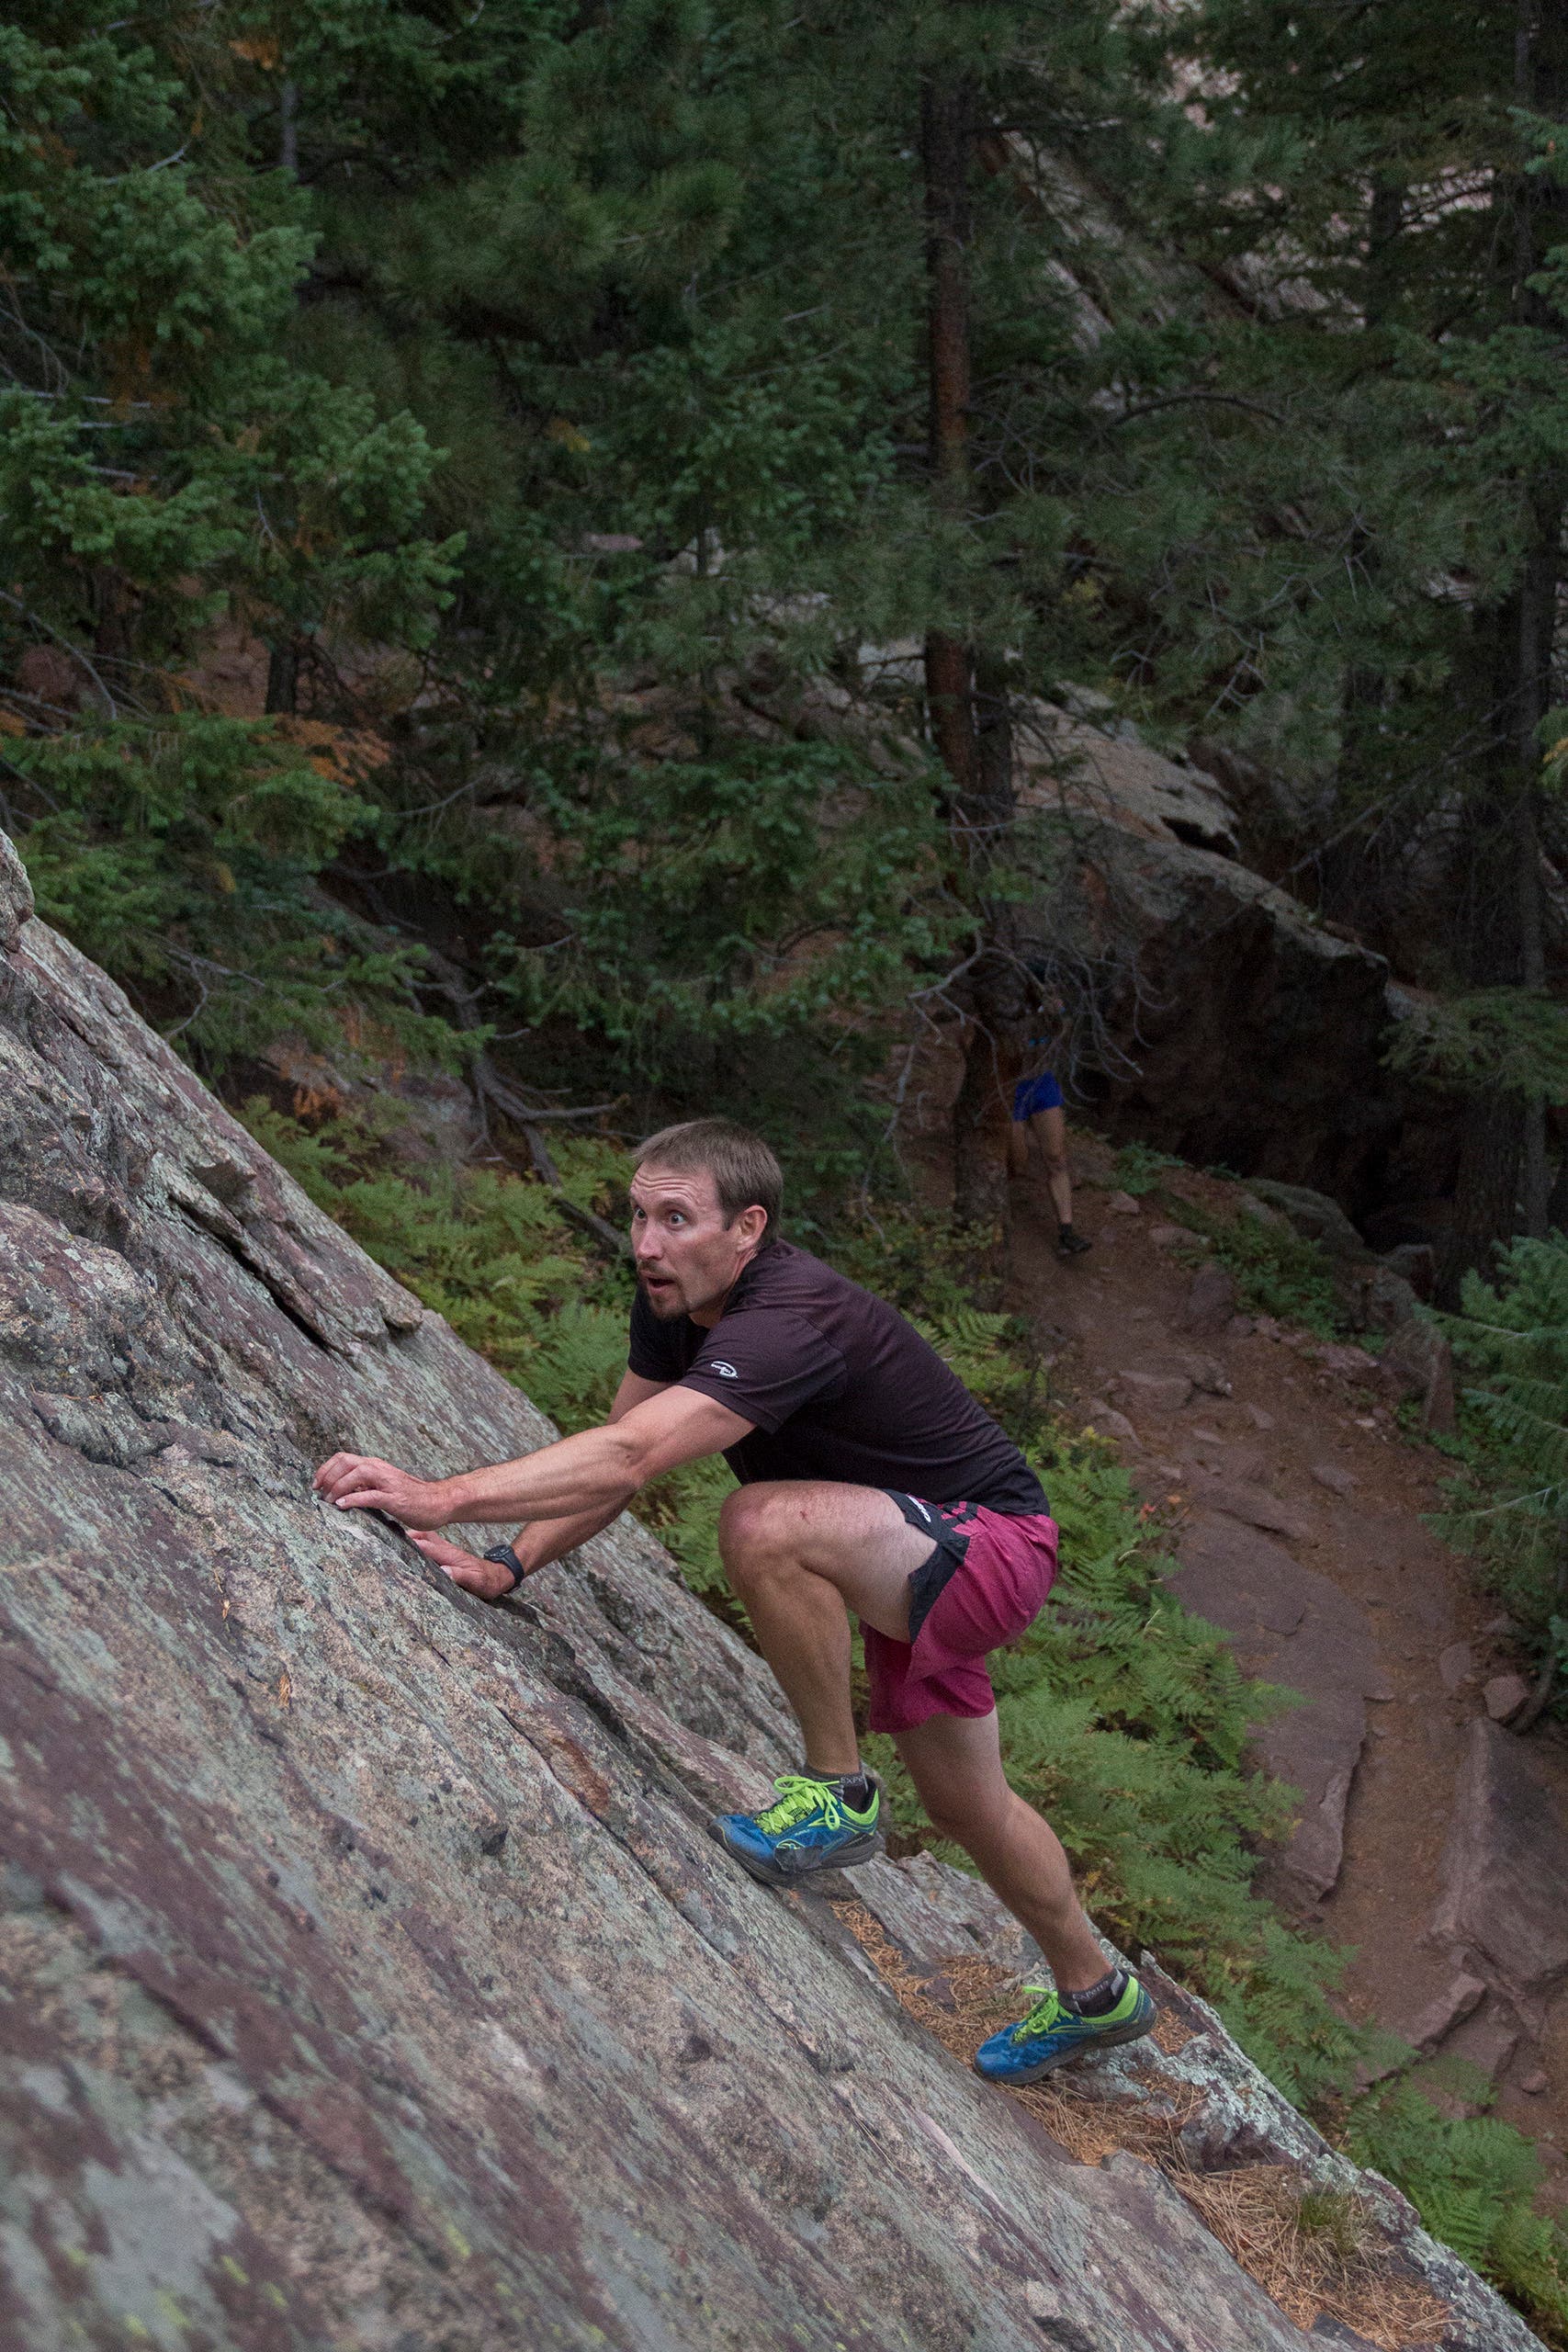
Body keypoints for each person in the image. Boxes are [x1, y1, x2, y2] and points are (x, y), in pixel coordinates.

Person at [314, 1118, 1154, 2085]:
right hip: (905, 1550)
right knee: (971, 1806)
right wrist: (509, 1562)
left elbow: (631, 1454)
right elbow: (618, 1461)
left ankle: (836, 1792)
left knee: (762, 1521)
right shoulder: (671, 1309)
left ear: (748, 1227)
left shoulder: (788, 1315)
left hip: (987, 1547)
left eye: (676, 1218)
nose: (647, 1243)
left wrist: (440, 1493)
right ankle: (1100, 1993)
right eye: (637, 1216)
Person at [1010, 1060, 1091, 1260]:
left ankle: (1067, 1233)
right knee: (1016, 1160)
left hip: (1041, 1080)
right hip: (1007, 1082)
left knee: (1056, 1157)